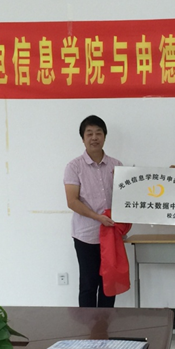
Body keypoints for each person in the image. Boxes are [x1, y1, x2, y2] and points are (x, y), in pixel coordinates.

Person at [64, 115, 122, 308]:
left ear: (105, 136)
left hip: (111, 235)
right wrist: (98, 217)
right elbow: (72, 201)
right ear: (83, 138)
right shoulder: (74, 166)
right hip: (86, 236)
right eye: (89, 134)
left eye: (98, 133)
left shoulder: (117, 166)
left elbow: (126, 198)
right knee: (88, 285)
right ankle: (88, 328)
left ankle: (105, 326)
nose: (94, 137)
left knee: (108, 286)